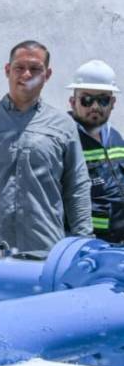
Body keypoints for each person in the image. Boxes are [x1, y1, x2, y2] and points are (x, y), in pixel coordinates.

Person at [0, 40, 92, 258]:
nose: (26, 74)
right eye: (19, 67)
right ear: (7, 70)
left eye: (35, 68)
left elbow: (77, 186)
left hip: (44, 252)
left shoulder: (63, 126)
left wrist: (83, 242)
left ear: (47, 75)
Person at [67, 59, 124, 243]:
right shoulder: (64, 140)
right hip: (85, 244)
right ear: (73, 102)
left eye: (103, 100)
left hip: (117, 243)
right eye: (87, 100)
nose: (95, 107)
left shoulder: (116, 137)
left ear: (113, 102)